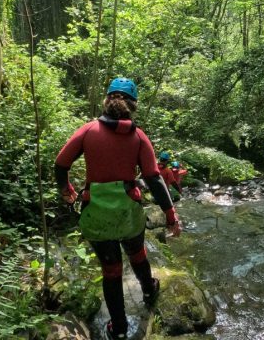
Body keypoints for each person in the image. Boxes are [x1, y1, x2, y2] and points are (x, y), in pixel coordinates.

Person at [54, 77, 181, 340]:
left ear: (106, 100)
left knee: (111, 270)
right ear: (132, 106)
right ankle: (149, 289)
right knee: (137, 253)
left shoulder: (88, 130)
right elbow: (154, 178)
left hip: (96, 213)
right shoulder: (138, 136)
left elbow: (61, 163)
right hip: (127, 213)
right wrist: (171, 215)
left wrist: (66, 189)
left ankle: (119, 328)